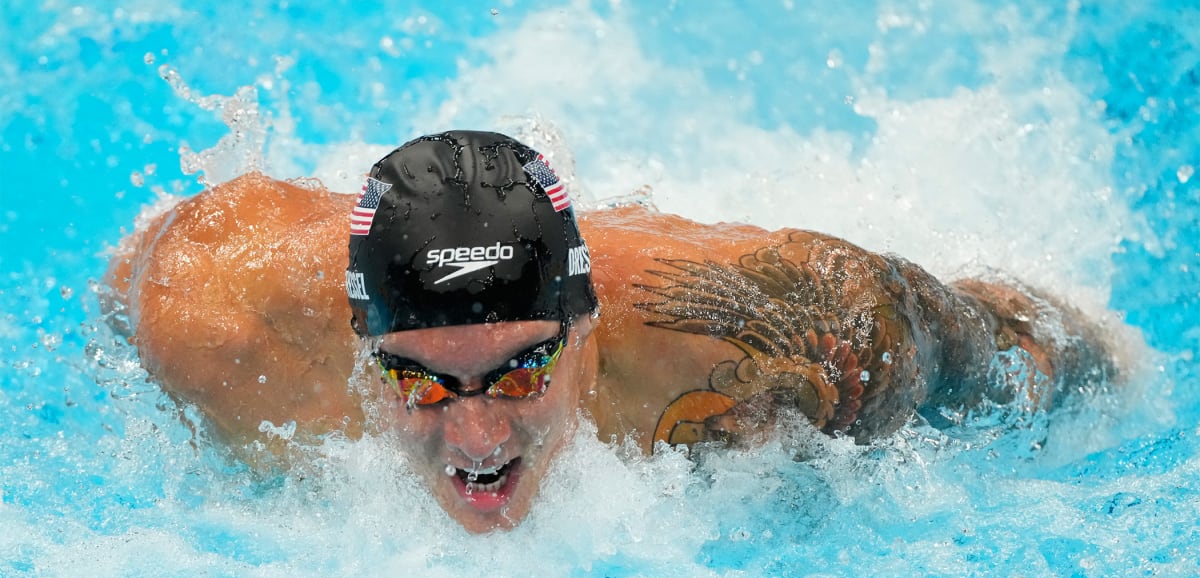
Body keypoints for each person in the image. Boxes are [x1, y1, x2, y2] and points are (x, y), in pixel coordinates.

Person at [106, 130, 1112, 533]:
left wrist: (1090, 360)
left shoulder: (763, 332)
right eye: (418, 381)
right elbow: (134, 275)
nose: (478, 439)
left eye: (522, 369)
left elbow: (990, 347)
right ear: (360, 346)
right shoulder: (217, 322)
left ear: (586, 327)